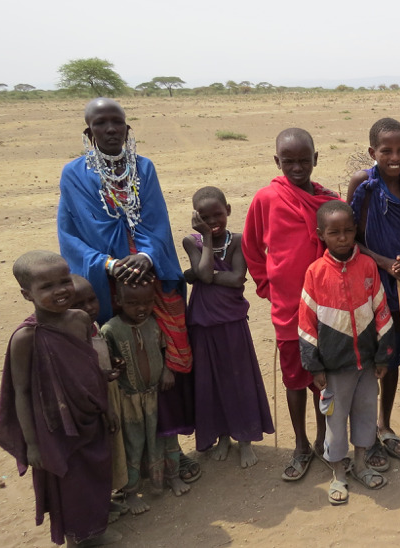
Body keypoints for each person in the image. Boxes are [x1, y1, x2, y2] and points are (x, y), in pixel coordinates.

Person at [57, 97, 199, 483]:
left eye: (117, 122)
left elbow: (156, 221)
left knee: (162, 363)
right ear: (89, 132)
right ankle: (128, 465)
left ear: (127, 128)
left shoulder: (143, 168)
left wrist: (149, 258)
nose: (110, 129)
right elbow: (70, 236)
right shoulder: (73, 174)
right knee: (119, 371)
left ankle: (170, 451)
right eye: (101, 123)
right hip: (106, 283)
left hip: (147, 280)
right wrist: (109, 265)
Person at [0, 251, 121, 547]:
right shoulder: (25, 338)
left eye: (64, 281)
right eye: (47, 287)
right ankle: (79, 538)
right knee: (71, 485)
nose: (60, 290)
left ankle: (96, 529)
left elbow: (90, 371)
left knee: (98, 474)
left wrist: (107, 410)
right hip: (55, 426)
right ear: (27, 294)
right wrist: (33, 444)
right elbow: (21, 392)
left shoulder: (80, 320)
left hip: (89, 415)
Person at [243, 128, 339, 481]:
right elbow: (251, 247)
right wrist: (266, 285)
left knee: (323, 380)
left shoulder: (328, 202)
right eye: (289, 162)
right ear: (277, 162)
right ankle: (299, 444)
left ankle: (322, 439)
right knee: (295, 380)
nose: (297, 168)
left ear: (315, 159)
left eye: (303, 160)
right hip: (288, 308)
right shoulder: (266, 199)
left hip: (326, 308)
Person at [299, 201, 394, 505]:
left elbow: (381, 310)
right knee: (335, 421)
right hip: (334, 368)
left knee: (366, 414)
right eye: (334, 232)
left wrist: (382, 356)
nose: (342, 237)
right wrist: (314, 367)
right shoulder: (315, 273)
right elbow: (306, 324)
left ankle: (362, 464)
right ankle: (339, 472)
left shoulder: (367, 267)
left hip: (366, 363)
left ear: (355, 231)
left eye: (348, 231)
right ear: (320, 235)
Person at [346, 117, 400, 467]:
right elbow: (349, 241)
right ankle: (363, 435)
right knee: (368, 360)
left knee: (393, 358)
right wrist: (386, 263)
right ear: (371, 151)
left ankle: (385, 425)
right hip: (369, 285)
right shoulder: (364, 185)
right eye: (386, 150)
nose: (395, 157)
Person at [183, 186, 274, 468]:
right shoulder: (192, 241)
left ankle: (244, 439)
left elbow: (235, 279)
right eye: (205, 217)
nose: (213, 221)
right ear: (196, 218)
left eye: (218, 215)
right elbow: (207, 273)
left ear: (229, 211)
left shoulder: (238, 240)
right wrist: (207, 242)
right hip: (202, 322)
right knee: (210, 381)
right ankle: (223, 436)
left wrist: (199, 275)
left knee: (238, 379)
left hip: (232, 321)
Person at [101, 280, 191, 514]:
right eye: (132, 303)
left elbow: (165, 350)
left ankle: (172, 477)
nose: (141, 308)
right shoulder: (110, 330)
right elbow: (104, 364)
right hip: (129, 401)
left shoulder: (155, 323)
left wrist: (167, 370)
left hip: (158, 396)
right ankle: (131, 493)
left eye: (147, 302)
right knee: (134, 444)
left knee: (167, 438)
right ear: (119, 302)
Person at [70, 274, 130, 517]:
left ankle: (106, 499)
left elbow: (100, 358)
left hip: (109, 398)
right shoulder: (71, 337)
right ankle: (97, 507)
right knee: (95, 456)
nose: (88, 308)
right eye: (79, 305)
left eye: (92, 300)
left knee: (111, 451)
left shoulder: (95, 329)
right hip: (92, 406)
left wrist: (112, 363)